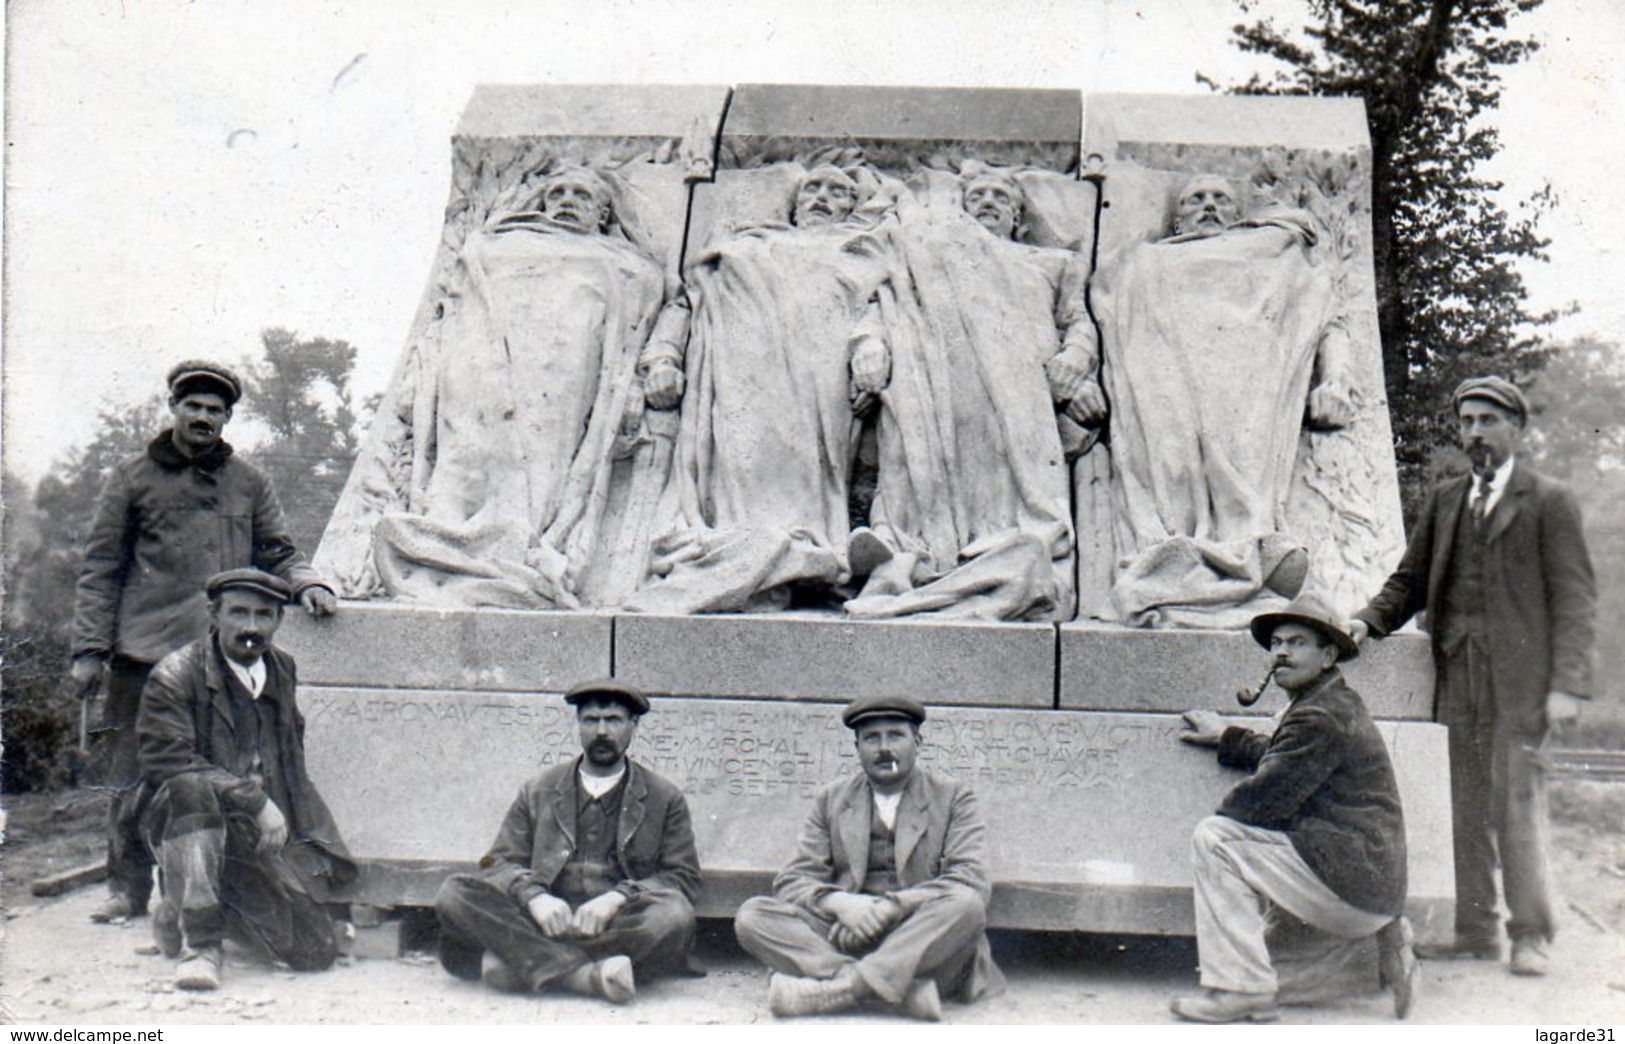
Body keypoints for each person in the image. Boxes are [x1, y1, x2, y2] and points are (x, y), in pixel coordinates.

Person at [316, 165, 681, 609]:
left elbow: (648, 306)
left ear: (604, 211)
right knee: (467, 454)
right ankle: (447, 538)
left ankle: (514, 551)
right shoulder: (496, 246)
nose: (566, 201)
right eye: (557, 193)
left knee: (542, 464)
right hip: (482, 366)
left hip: (562, 373)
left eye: (581, 194)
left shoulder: (624, 263)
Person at [70, 360, 336, 925]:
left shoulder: (249, 481)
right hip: (143, 653)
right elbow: (100, 568)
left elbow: (280, 551)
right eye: (194, 406)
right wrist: (89, 651)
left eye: (216, 410)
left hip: (220, 659)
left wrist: (309, 582)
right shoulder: (131, 477)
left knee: (217, 773)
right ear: (173, 408)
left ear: (227, 418)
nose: (204, 418)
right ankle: (127, 887)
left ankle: (201, 892)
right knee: (132, 774)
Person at [1351, 376, 1596, 977]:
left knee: (1516, 804)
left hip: (1522, 684)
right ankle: (1475, 931)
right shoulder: (1445, 500)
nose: (1475, 433)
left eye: (1488, 420)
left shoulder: (1549, 500)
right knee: (1463, 804)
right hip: (1457, 674)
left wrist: (1566, 686)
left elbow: (1575, 601)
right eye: (1467, 422)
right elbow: (1407, 583)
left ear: (1516, 427)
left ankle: (1531, 933)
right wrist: (1363, 623)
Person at [626, 164, 901, 613]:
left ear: (852, 206)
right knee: (742, 464)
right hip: (739, 374)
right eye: (813, 188)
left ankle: (801, 559)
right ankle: (756, 561)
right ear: (793, 202)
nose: (822, 197)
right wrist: (662, 358)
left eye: (837, 191)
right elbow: (688, 302)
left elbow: (885, 305)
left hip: (820, 375)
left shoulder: (857, 250)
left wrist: (872, 345)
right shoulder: (742, 246)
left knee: (807, 472)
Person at [1089, 174, 1355, 626]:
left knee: (1244, 474)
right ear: (1177, 219)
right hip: (1166, 382)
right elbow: (1106, 319)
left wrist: (1337, 381)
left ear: (1239, 215)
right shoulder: (1145, 260)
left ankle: (1242, 561)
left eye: (1221, 199)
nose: (1209, 206)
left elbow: (1325, 315)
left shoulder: (1271, 257)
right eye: (1196, 199)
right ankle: (1174, 562)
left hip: (1244, 389)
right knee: (1170, 465)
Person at [845, 165, 1092, 621]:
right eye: (978, 194)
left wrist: (1076, 361)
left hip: (1019, 391)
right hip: (932, 378)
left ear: (1019, 218)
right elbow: (884, 301)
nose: (988, 201)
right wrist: (869, 346)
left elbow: (1076, 322)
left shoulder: (1052, 262)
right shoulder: (924, 252)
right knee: (914, 468)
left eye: (1001, 196)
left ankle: (1001, 560)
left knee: (1013, 485)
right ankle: (905, 559)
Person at [1172, 593, 1417, 1023]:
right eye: (1277, 642)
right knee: (1294, 982)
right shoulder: (1328, 701)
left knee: (1214, 840)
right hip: (1370, 883)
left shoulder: (1319, 714)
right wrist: (1228, 736)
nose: (1281, 651)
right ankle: (1389, 942)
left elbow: (1257, 804)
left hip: (1352, 883)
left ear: (1328, 655)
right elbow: (1284, 754)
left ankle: (1241, 990)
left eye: (1297, 642)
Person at [137, 569, 354, 990]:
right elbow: (169, 760)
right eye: (238, 613)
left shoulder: (281, 667)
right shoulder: (174, 675)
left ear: (278, 620)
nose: (251, 627)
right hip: (186, 817)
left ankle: (178, 904)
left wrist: (311, 860)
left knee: (314, 951)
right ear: (213, 615)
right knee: (191, 785)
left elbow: (291, 765)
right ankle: (200, 945)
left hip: (250, 830)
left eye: (263, 615)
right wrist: (256, 802)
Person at [733, 693, 1003, 1021]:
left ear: (917, 743)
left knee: (966, 905)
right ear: (856, 748)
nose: (884, 748)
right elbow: (793, 880)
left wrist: (892, 907)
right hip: (845, 933)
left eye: (896, 736)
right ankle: (896, 993)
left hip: (917, 935)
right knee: (753, 916)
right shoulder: (831, 799)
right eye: (871, 738)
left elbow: (970, 880)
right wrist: (841, 904)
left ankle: (837, 990)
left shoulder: (953, 797)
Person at [434, 679, 701, 1004]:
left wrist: (617, 897)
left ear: (634, 725)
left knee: (673, 914)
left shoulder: (664, 797)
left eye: (613, 720)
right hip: (543, 921)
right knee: (454, 891)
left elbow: (682, 879)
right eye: (591, 720)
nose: (602, 731)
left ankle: (524, 961)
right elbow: (494, 862)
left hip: (615, 924)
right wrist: (534, 897)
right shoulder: (538, 789)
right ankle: (585, 977)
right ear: (578, 723)